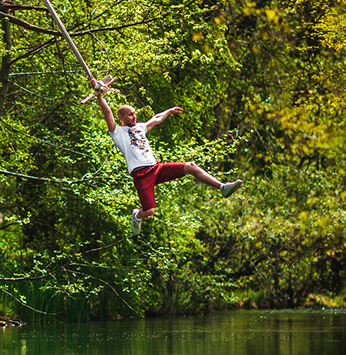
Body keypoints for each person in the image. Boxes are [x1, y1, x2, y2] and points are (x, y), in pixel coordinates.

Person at [81, 75, 242, 235]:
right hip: (141, 174)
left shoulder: (141, 127)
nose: (134, 117)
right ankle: (137, 215)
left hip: (156, 167)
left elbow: (157, 118)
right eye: (130, 114)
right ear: (121, 118)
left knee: (191, 166)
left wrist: (169, 111)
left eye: (135, 113)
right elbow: (107, 111)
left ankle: (222, 187)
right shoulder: (117, 133)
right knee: (149, 212)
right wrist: (99, 94)